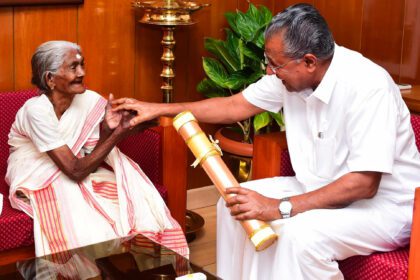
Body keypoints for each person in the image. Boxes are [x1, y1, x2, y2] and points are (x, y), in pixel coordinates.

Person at [112, 3, 420, 279]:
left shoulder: (368, 86)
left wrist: (280, 207)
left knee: (300, 236)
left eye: (276, 64)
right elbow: (234, 106)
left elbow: (364, 183)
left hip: (384, 207)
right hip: (318, 186)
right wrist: (157, 109)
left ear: (310, 61)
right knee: (235, 201)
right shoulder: (291, 76)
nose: (270, 72)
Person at [6, 41, 188, 259]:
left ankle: (132, 266)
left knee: (123, 205)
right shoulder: (36, 111)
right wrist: (118, 133)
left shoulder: (88, 100)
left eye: (82, 64)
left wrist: (107, 131)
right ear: (50, 79)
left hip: (76, 167)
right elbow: (74, 171)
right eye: (73, 67)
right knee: (90, 220)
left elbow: (89, 157)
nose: (82, 72)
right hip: (34, 173)